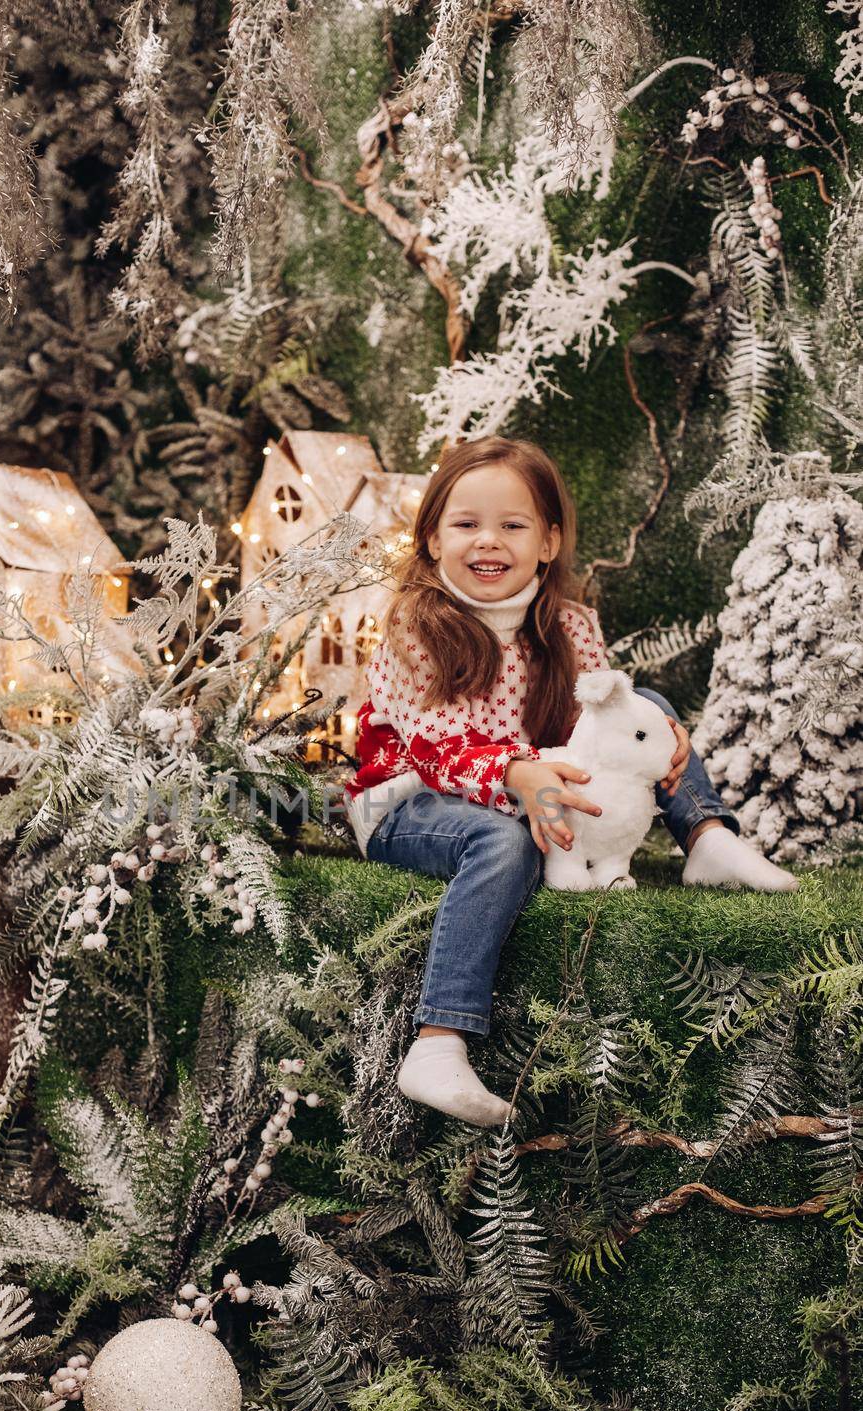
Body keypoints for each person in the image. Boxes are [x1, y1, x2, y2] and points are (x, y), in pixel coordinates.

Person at [341, 435, 799, 1129]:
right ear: (432, 539)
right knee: (502, 845)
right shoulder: (415, 627)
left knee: (649, 707)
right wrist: (514, 773)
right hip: (408, 799)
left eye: (512, 525)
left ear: (548, 542)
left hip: (532, 781)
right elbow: (432, 750)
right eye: (465, 524)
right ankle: (437, 1043)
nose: (486, 541)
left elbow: (603, 727)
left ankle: (703, 834)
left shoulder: (569, 626)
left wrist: (658, 739)